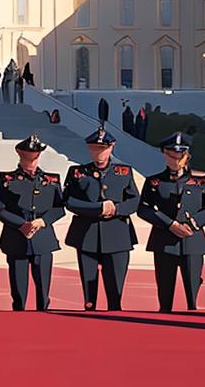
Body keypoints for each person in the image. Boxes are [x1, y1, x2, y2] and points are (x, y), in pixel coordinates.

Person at [137, 132, 205, 312]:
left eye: (180, 156)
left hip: (192, 240)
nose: (175, 160)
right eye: (171, 155)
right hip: (164, 239)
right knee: (165, 288)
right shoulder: (154, 181)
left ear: (187, 156)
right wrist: (170, 224)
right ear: (164, 154)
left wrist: (193, 224)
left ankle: (193, 313)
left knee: (192, 287)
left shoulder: (200, 181)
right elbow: (144, 209)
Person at [63, 126, 139, 311]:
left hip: (117, 234)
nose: (99, 152)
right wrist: (98, 208)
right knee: (89, 291)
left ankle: (115, 313)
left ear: (111, 147)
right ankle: (89, 312)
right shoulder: (77, 172)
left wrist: (116, 209)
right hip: (86, 234)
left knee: (115, 289)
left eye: (103, 148)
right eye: (95, 148)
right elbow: (69, 201)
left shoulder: (124, 172)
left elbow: (135, 200)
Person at [0, 135, 65, 311]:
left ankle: (44, 316)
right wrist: (21, 224)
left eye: (34, 157)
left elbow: (59, 208)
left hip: (43, 238)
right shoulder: (6, 180)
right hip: (16, 237)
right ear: (20, 156)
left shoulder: (52, 180)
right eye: (27, 158)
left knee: (43, 290)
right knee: (18, 290)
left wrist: (43, 221)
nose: (31, 162)